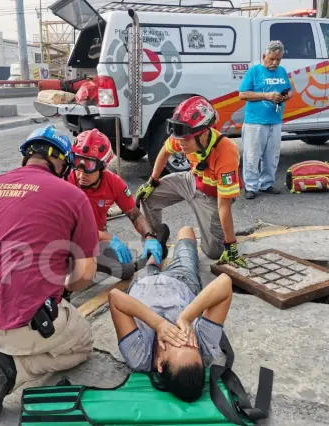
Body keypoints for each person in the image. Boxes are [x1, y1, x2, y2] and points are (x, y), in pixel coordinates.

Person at [0, 125, 100, 419]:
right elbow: (85, 274)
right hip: (21, 322)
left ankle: (8, 345)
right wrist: (63, 287)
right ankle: (10, 369)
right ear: (62, 164)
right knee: (83, 345)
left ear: (25, 157)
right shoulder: (73, 196)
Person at [108, 226, 233, 402]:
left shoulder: (139, 356)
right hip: (181, 281)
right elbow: (224, 283)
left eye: (177, 343)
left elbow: (115, 298)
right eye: (191, 344)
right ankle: (159, 247)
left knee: (150, 264)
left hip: (144, 285)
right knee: (186, 232)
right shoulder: (204, 346)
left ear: (159, 364)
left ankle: (157, 250)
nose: (182, 336)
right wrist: (185, 317)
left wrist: (159, 324)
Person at [137, 96, 248, 268]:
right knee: (146, 196)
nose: (181, 144)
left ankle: (220, 239)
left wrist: (231, 245)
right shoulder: (184, 134)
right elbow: (164, 152)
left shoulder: (226, 152)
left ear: (204, 134)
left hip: (213, 194)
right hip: (192, 180)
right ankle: (156, 239)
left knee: (214, 252)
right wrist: (152, 181)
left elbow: (224, 206)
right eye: (179, 139)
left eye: (186, 140)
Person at [68, 129, 167, 280]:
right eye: (77, 164)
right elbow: (70, 229)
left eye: (88, 167)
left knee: (126, 270)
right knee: (59, 275)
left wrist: (149, 236)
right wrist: (109, 237)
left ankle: (88, 265)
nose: (81, 174)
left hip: (95, 240)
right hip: (67, 239)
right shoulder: (66, 181)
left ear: (102, 166)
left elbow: (135, 214)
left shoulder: (114, 183)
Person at [238, 40, 293, 200]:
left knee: (272, 155)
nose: (275, 63)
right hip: (255, 122)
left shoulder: (282, 71)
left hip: (275, 120)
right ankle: (251, 186)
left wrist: (286, 96)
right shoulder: (255, 71)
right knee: (252, 155)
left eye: (278, 59)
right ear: (264, 56)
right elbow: (242, 94)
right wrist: (266, 95)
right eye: (271, 59)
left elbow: (289, 90)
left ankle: (266, 184)